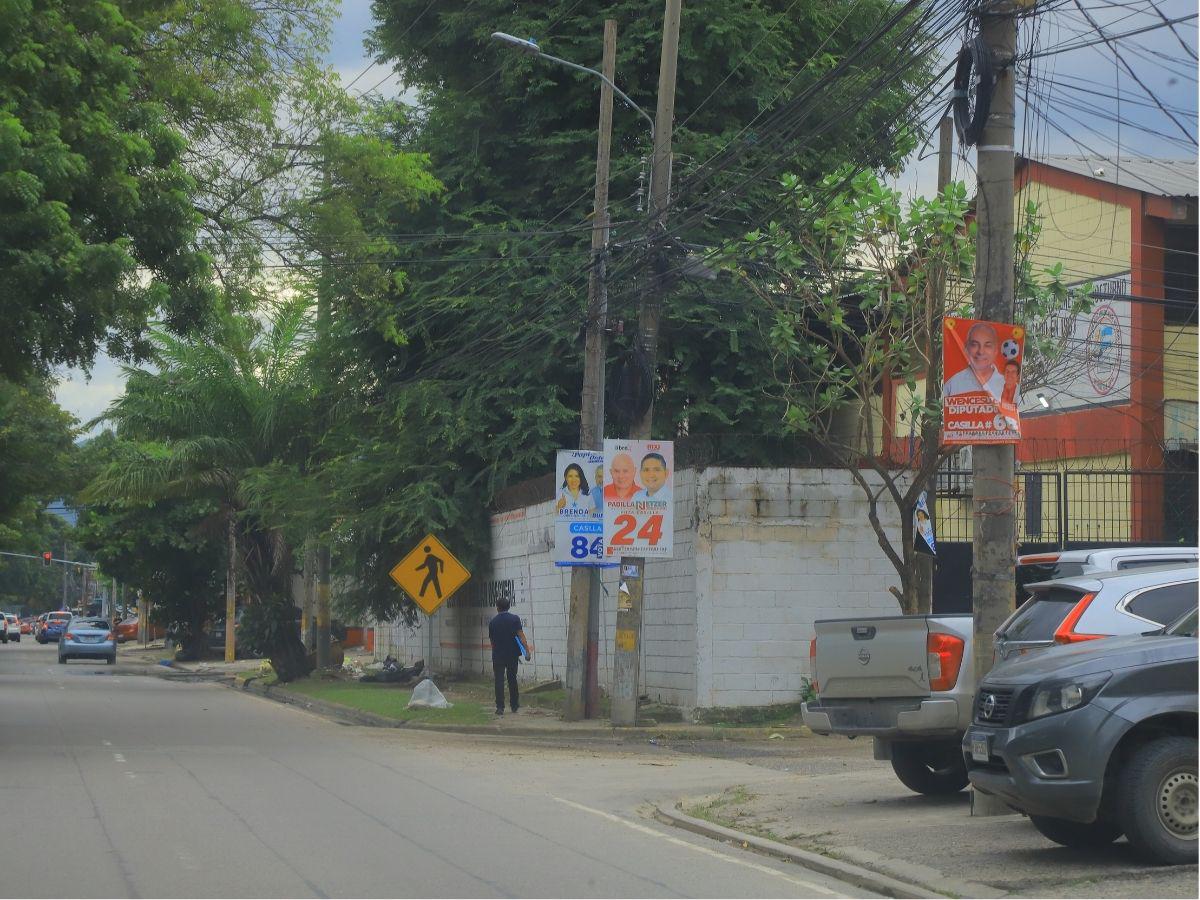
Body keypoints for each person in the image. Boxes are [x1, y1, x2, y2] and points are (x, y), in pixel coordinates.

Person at [488, 598, 531, 715]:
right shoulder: (514, 619)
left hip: (498, 655)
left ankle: (500, 707)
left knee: (499, 681)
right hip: (512, 655)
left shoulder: (493, 622)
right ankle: (514, 705)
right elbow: (521, 636)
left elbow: (492, 641)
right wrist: (527, 651)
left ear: (497, 607)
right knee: (512, 679)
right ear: (508, 607)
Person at [944, 322, 1005, 402]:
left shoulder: (1006, 384)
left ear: (996, 350)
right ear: (966, 349)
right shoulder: (953, 384)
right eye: (974, 344)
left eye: (987, 345)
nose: (981, 351)